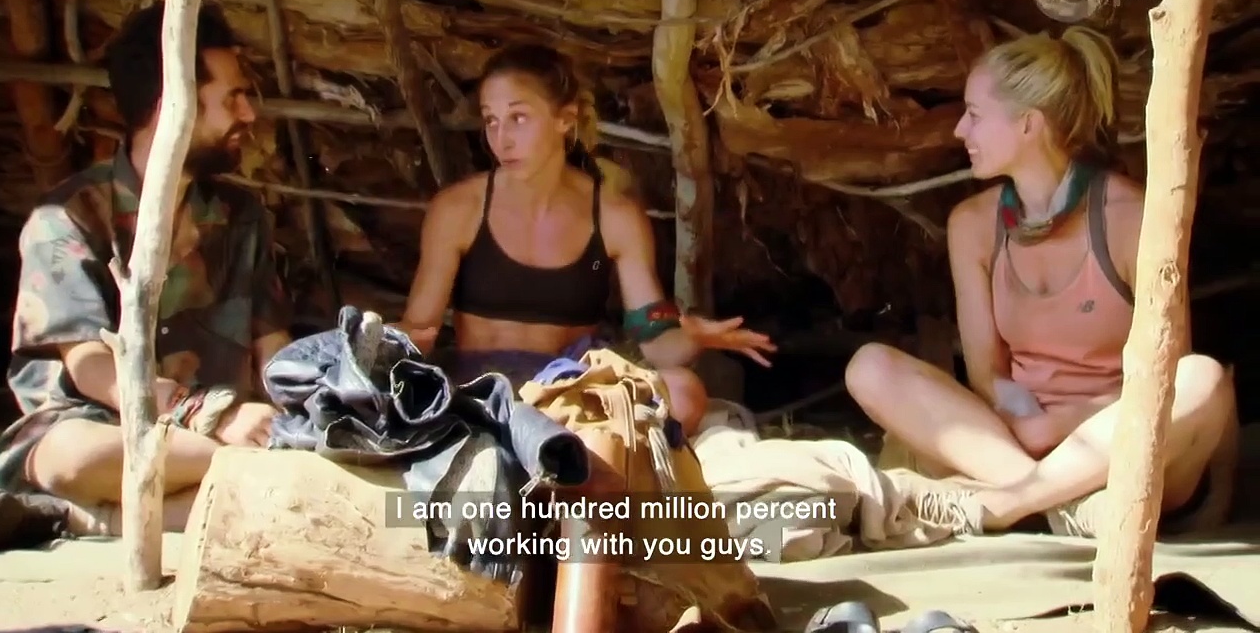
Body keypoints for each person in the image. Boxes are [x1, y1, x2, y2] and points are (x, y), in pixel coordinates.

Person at [844, 26, 1237, 537]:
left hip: (1123, 444)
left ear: (1029, 124)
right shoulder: (972, 225)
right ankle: (1066, 509)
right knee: (870, 368)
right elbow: (987, 375)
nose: (960, 130)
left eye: (974, 114)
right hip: (1014, 447)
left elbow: (1164, 376)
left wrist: (1057, 425)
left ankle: (1013, 505)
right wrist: (1025, 422)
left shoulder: (1132, 218)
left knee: (1201, 378)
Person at [0, 3, 293, 551]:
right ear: (174, 105)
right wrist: (211, 415)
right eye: (233, 98)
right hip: (111, 428)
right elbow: (91, 368)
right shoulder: (69, 217)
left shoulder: (242, 217)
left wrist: (302, 409)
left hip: (216, 444)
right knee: (74, 456)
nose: (248, 114)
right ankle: (243, 481)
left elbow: (274, 349)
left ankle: (91, 519)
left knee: (282, 467)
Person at [398, 43, 775, 436]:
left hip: (568, 384)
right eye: (491, 120)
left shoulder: (615, 217)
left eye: (518, 117)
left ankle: (559, 439)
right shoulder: (458, 209)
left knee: (683, 391)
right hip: (481, 386)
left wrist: (692, 336)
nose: (501, 138)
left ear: (565, 119)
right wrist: (375, 340)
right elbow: (418, 331)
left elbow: (655, 338)